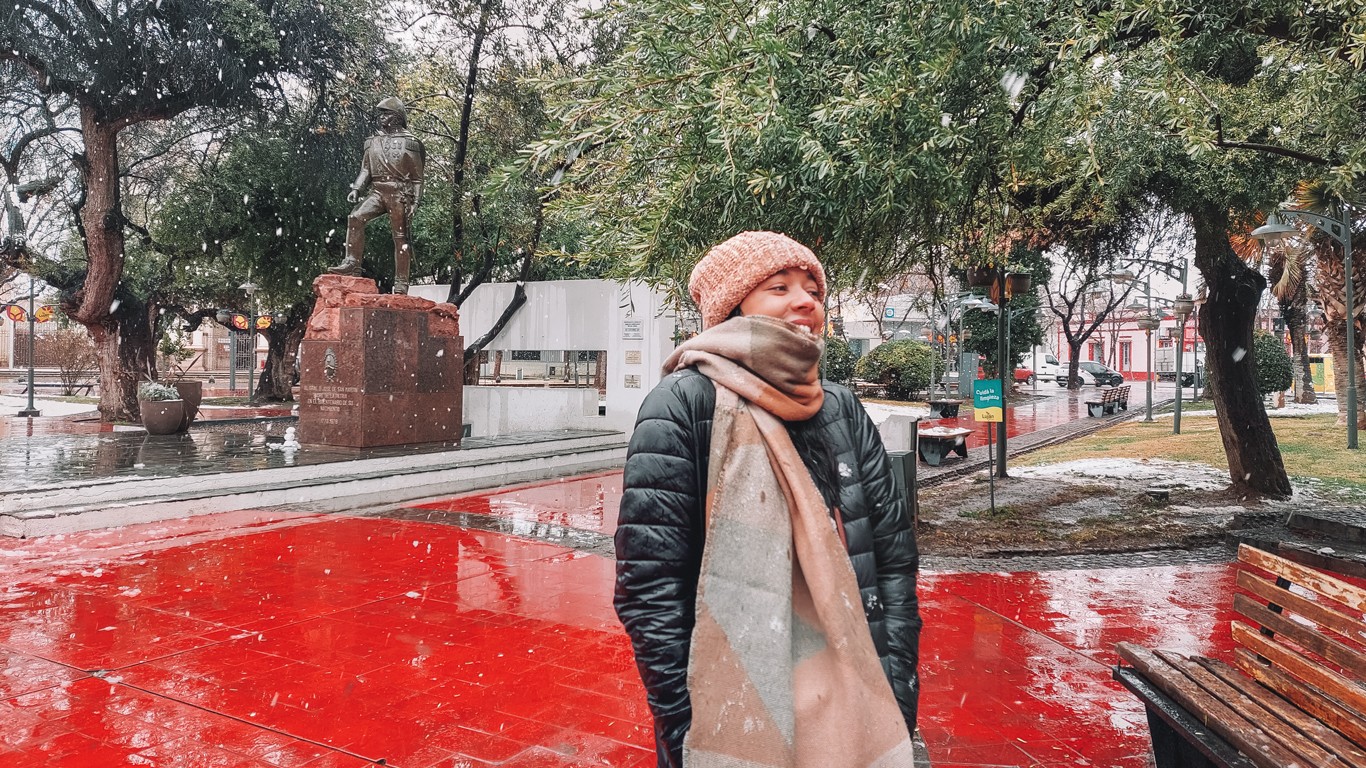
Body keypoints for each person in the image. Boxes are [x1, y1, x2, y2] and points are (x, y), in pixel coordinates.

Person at [615, 231, 921, 767]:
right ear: (733, 309)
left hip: (854, 701)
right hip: (729, 705)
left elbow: (893, 561)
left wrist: (895, 691)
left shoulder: (841, 410)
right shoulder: (683, 404)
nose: (806, 301)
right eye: (779, 287)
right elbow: (650, 586)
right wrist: (688, 722)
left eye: (813, 289)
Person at [327, 96, 425, 295]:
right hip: (378, 191)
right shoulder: (372, 142)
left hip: (400, 193)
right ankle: (352, 263)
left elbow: (417, 178)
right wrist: (356, 188)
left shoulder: (410, 143)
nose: (381, 118)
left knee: (400, 238)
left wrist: (415, 201)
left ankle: (401, 283)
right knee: (355, 217)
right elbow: (366, 170)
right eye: (380, 114)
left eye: (386, 113)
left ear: (397, 117)